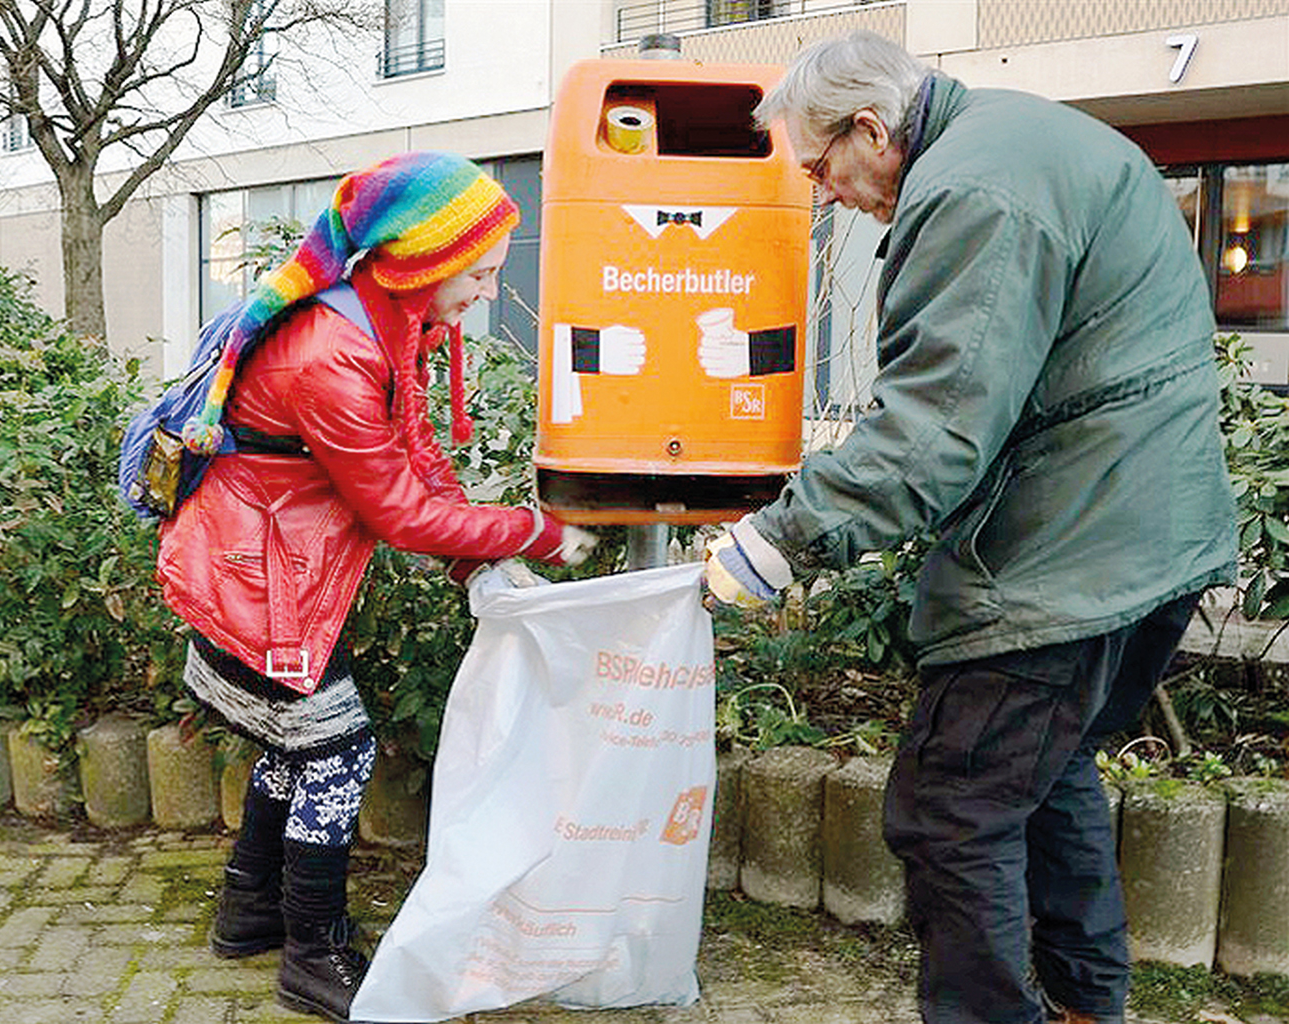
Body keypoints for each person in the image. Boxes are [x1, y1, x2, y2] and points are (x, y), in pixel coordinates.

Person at [704, 31, 1237, 1024]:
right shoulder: (1018, 140)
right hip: (1150, 533)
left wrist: (775, 542)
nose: (826, 194)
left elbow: (932, 432)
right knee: (1046, 776)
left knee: (952, 810)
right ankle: (1087, 1007)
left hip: (1069, 549)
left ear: (872, 129)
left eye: (820, 168)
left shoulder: (971, 188)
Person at [154, 151, 598, 1023]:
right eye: (478, 273)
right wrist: (534, 532)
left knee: (298, 742)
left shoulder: (390, 321)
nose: (486, 291)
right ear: (425, 262)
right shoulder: (332, 353)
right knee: (338, 749)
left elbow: (414, 453)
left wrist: (473, 552)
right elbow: (397, 511)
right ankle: (312, 954)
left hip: (279, 571)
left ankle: (250, 910)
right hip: (253, 584)